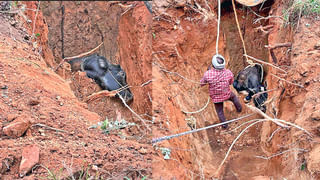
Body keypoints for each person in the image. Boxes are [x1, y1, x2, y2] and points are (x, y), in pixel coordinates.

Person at [200, 54, 242, 129]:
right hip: (227, 94)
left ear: (213, 64)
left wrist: (208, 73)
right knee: (234, 98)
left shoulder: (208, 74)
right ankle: (239, 109)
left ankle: (224, 125)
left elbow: (202, 83)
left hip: (216, 97)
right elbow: (231, 82)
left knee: (219, 111)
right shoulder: (228, 72)